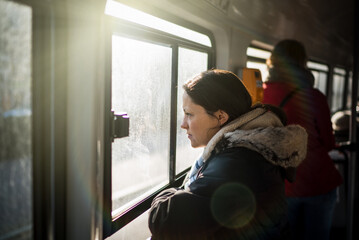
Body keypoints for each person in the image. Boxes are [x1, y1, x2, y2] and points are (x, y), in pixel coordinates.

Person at [148, 69, 308, 239]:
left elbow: (165, 220)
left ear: (220, 116)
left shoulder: (238, 162)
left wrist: (169, 193)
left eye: (189, 114)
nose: (183, 124)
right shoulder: (247, 150)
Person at [262, 39, 343, 240]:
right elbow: (328, 142)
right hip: (318, 183)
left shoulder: (259, 94)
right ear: (302, 63)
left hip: (281, 186)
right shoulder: (314, 96)